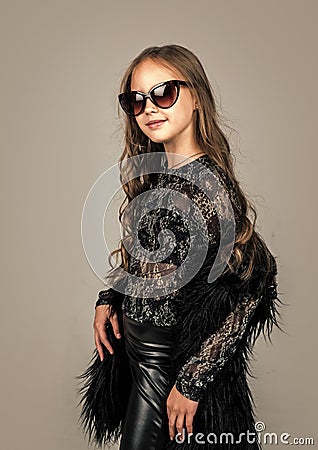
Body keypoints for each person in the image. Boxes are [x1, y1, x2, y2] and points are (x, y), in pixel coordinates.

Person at [88, 44, 283, 450]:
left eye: (163, 94)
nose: (149, 109)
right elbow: (151, 259)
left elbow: (256, 280)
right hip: (139, 362)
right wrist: (112, 294)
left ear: (195, 96)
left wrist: (192, 380)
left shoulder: (206, 184)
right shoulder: (159, 174)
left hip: (166, 368)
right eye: (135, 100)